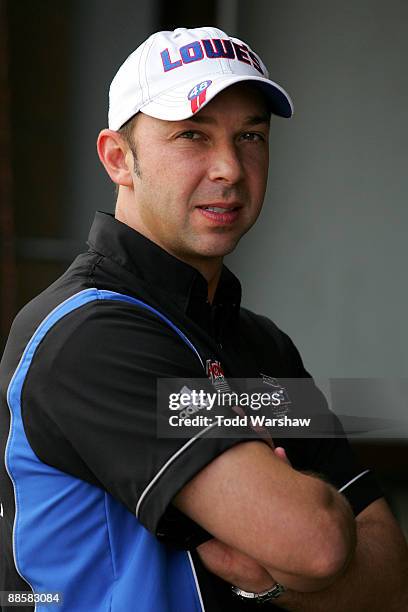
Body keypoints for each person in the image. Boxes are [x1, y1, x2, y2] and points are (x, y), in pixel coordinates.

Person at [0, 25, 407, 612]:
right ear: (119, 158)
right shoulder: (85, 335)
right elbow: (315, 543)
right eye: (192, 135)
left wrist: (264, 575)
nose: (230, 169)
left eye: (249, 136)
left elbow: (390, 579)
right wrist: (301, 539)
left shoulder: (262, 345)